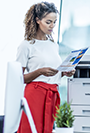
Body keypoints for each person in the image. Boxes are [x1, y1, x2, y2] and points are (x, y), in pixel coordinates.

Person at [16, 2, 75, 133]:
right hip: (35, 94)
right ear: (37, 20)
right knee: (31, 129)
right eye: (48, 22)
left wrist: (64, 72)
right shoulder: (26, 45)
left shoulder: (53, 45)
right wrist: (39, 72)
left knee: (47, 130)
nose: (52, 26)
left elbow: (53, 72)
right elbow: (18, 78)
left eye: (54, 22)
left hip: (52, 93)